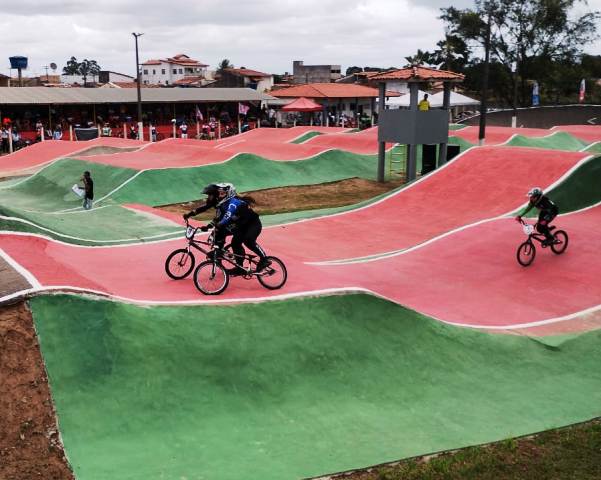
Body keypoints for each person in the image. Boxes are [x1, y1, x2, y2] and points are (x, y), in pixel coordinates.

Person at [182, 183, 270, 275]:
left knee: (248, 241)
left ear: (228, 194)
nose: (219, 196)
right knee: (234, 242)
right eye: (219, 193)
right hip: (240, 225)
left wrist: (218, 224)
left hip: (252, 224)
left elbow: (227, 216)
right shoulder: (222, 203)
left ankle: (264, 259)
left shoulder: (233, 202)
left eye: (222, 194)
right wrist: (209, 226)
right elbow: (218, 217)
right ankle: (238, 266)